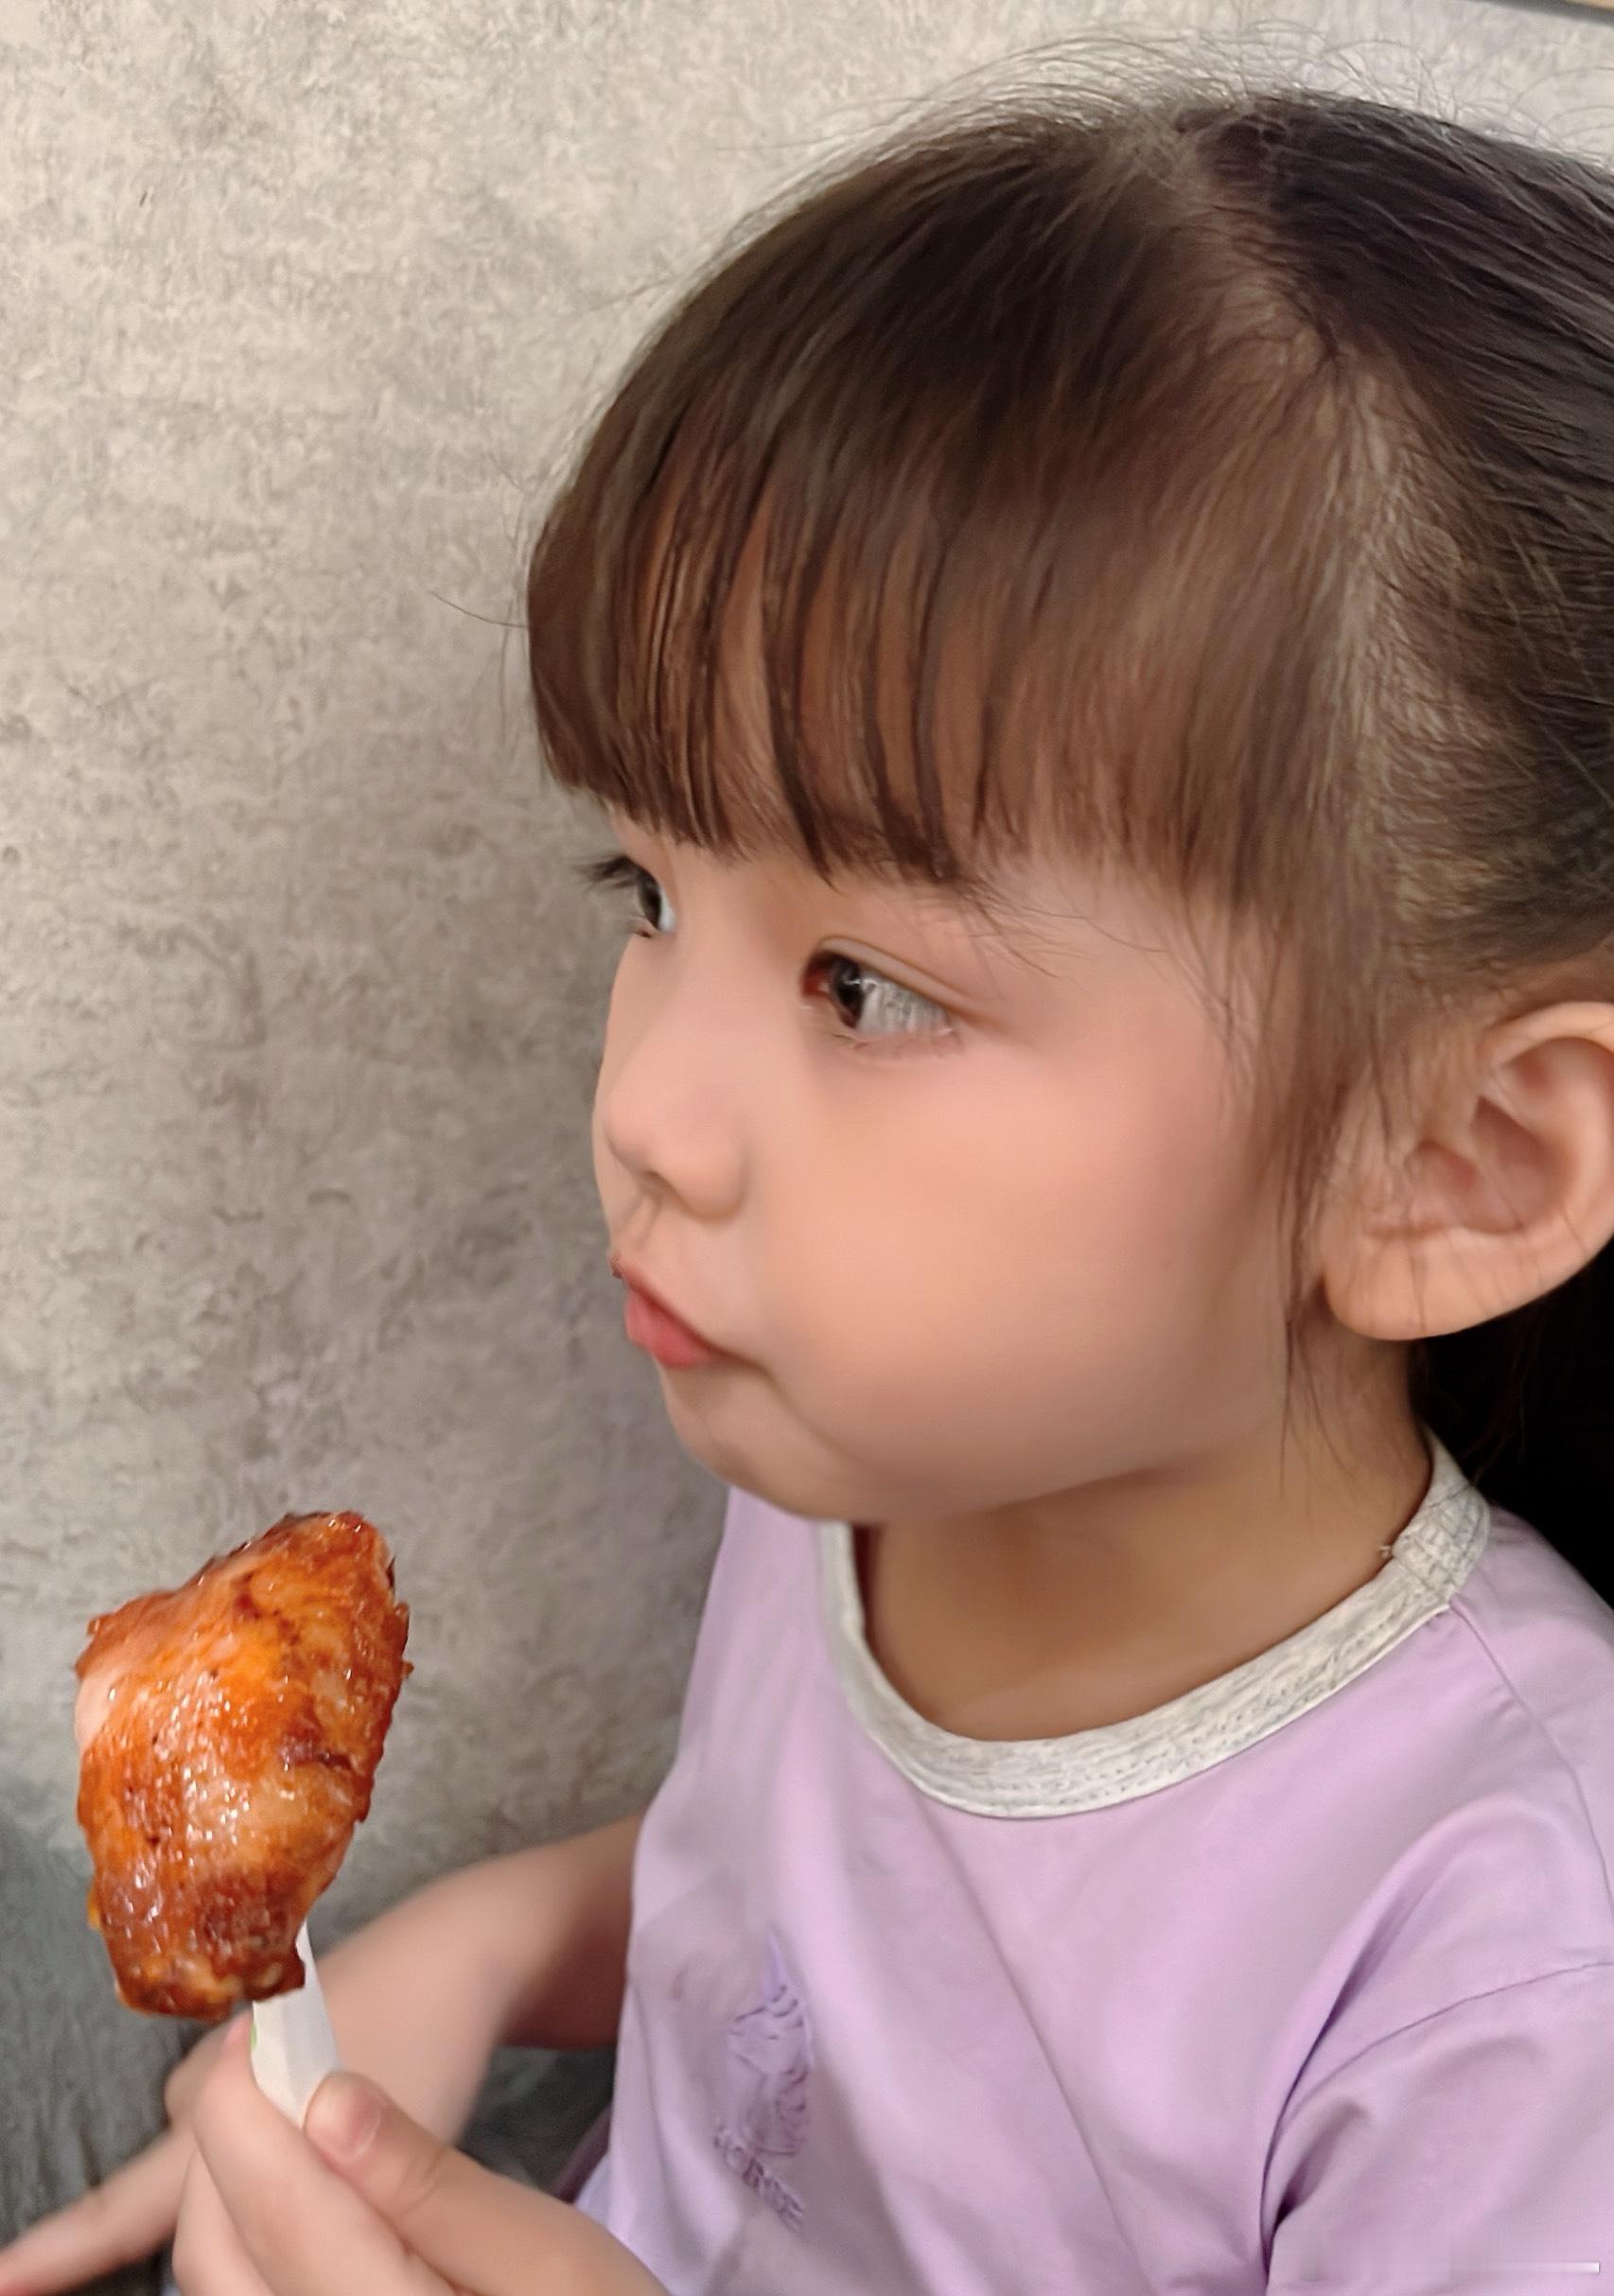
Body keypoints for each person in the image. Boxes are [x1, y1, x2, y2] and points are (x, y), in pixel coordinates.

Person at [6, 63, 1614, 2296]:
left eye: (864, 986)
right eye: (648, 891)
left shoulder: (1511, 1959)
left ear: (1452, 1162)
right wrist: (472, 1943)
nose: (649, 1111)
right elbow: (783, 1922)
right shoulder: (859, 1455)